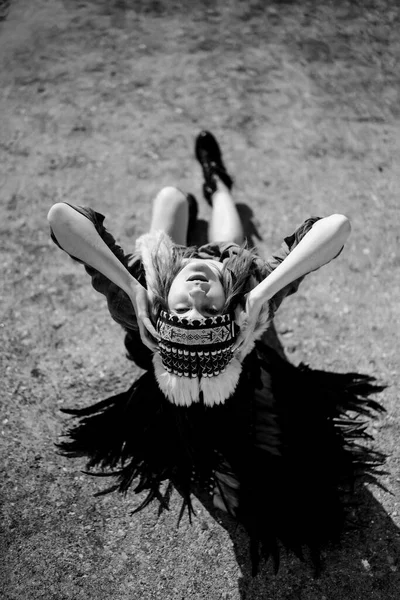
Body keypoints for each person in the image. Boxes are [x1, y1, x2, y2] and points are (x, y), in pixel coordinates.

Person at [48, 131, 382, 574]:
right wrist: (261, 293)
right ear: (231, 313)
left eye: (187, 307)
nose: (200, 293)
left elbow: (60, 218)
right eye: (211, 308)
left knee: (170, 200)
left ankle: (184, 207)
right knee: (228, 225)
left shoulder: (144, 298)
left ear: (166, 307)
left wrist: (132, 284)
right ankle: (218, 182)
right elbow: (336, 227)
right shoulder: (241, 294)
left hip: (163, 264)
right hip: (232, 267)